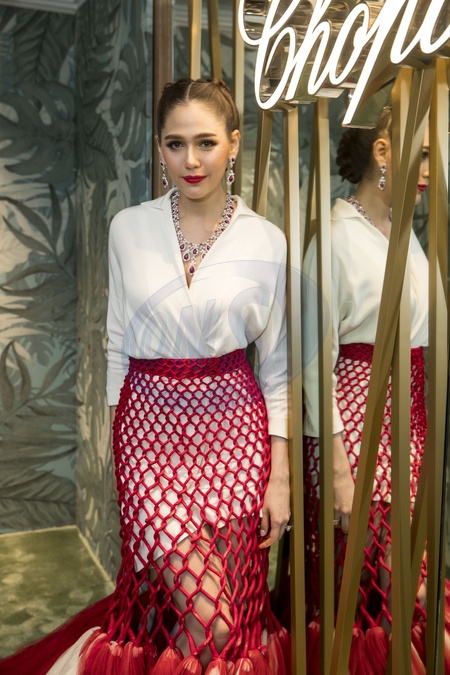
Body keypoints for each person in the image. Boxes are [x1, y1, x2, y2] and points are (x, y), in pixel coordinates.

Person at [0, 77, 291, 675]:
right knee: (209, 618)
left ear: (234, 144)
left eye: (206, 143)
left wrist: (279, 476)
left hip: (235, 441)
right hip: (149, 439)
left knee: (230, 624)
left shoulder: (267, 241)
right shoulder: (128, 228)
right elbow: (115, 340)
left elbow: (279, 365)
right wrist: (118, 439)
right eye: (175, 144)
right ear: (159, 148)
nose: (191, 160)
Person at [302, 108, 450, 673]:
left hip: (406, 426)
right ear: (383, 152)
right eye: (425, 155)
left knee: (401, 585)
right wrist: (339, 469)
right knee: (383, 587)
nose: (433, 170)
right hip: (356, 429)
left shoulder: (403, 234)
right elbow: (314, 364)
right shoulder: (336, 239)